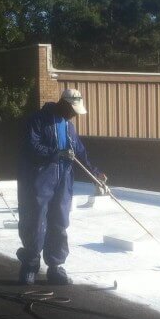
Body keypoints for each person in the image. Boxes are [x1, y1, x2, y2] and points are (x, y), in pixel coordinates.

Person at [17, 88, 105, 285]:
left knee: (60, 221)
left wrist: (96, 173)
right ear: (64, 104)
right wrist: (56, 153)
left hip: (63, 179)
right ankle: (30, 263)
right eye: (73, 109)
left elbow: (80, 153)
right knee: (36, 220)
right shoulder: (38, 120)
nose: (74, 114)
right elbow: (31, 146)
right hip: (40, 178)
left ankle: (55, 266)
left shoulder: (69, 127)